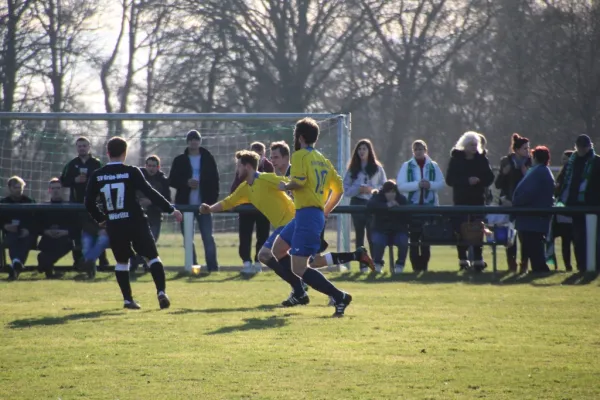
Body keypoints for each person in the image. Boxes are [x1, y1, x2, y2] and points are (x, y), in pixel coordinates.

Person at [200, 150, 373, 306]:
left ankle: (302, 290)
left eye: (238, 166)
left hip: (295, 221)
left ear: (247, 166)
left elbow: (287, 181)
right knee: (311, 263)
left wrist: (296, 187)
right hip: (290, 224)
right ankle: (353, 258)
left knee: (266, 254)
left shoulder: (265, 179)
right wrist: (209, 208)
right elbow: (228, 202)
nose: (236, 170)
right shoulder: (245, 188)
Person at [85, 137, 183, 309]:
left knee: (122, 262)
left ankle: (128, 300)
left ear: (108, 153)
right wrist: (170, 209)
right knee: (152, 257)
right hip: (136, 221)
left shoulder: (97, 175)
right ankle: (161, 292)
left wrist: (101, 219)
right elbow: (150, 192)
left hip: (115, 223)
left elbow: (88, 202)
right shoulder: (132, 171)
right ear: (125, 152)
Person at [273, 118, 353, 317]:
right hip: (308, 214)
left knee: (300, 267)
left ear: (299, 137)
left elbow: (299, 182)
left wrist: (286, 186)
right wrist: (325, 211)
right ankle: (299, 292)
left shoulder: (299, 156)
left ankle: (339, 296)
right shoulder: (322, 159)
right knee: (278, 249)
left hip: (308, 215)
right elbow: (339, 188)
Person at [168, 130, 219, 272]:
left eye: (196, 139)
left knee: (208, 237)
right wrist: (186, 182)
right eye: (191, 139)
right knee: (187, 239)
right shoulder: (179, 160)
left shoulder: (208, 158)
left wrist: (211, 203)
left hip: (204, 206)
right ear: (187, 142)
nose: (194, 142)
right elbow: (171, 180)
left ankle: (212, 268)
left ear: (200, 141)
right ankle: (192, 266)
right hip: (185, 206)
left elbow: (215, 181)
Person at [445, 131, 495, 272]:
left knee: (478, 229)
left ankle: (478, 260)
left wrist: (479, 180)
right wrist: (466, 181)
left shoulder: (482, 160)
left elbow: (490, 178)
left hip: (478, 200)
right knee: (461, 230)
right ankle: (463, 259)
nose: (474, 147)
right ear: (464, 145)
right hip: (461, 201)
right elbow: (450, 180)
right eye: (471, 144)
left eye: (475, 144)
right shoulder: (455, 159)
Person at [60, 137, 109, 270]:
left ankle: (102, 260)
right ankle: (79, 262)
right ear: (76, 148)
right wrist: (74, 180)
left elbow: (105, 180)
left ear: (89, 147)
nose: (82, 148)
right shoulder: (71, 164)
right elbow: (62, 181)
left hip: (95, 204)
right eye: (79, 146)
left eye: (84, 145)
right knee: (77, 233)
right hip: (76, 205)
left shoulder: (96, 163)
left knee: (97, 230)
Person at [396, 140, 445, 272]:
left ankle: (424, 268)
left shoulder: (433, 166)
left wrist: (430, 185)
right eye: (416, 149)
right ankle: (415, 268)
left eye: (421, 149)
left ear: (425, 150)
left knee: (426, 240)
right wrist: (417, 185)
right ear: (413, 151)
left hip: (429, 208)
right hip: (412, 208)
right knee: (414, 239)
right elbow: (400, 186)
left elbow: (441, 183)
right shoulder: (407, 166)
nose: (418, 151)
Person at [557, 134, 600, 272]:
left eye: (584, 147)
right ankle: (582, 266)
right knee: (578, 238)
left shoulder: (596, 162)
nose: (581, 150)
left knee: (594, 239)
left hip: (593, 207)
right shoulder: (572, 162)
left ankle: (595, 266)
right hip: (575, 206)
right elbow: (563, 181)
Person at [343, 139, 386, 273]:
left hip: (372, 203)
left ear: (369, 151)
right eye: (359, 149)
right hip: (357, 203)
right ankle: (363, 266)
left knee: (372, 234)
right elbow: (346, 190)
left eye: (364, 149)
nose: (362, 151)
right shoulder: (352, 169)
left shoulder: (377, 168)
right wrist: (358, 188)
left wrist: (371, 190)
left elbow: (384, 186)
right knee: (359, 235)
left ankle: (376, 264)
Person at [230, 142, 274, 274]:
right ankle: (246, 262)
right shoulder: (243, 167)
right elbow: (235, 186)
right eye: (256, 154)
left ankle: (258, 262)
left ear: (264, 155)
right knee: (245, 235)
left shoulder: (268, 167)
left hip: (263, 207)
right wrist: (234, 201)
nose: (258, 158)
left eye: (261, 155)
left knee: (263, 235)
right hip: (246, 207)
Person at [512, 146, 554, 273]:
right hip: (533, 218)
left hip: (533, 218)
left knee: (534, 246)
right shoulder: (542, 171)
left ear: (535, 157)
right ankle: (538, 269)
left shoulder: (539, 172)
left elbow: (529, 193)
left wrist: (516, 202)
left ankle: (541, 270)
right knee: (532, 246)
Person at [494, 133, 532, 272]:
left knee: (524, 235)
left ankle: (524, 263)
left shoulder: (530, 162)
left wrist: (525, 174)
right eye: (524, 148)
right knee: (510, 236)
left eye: (528, 148)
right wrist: (503, 173)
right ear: (516, 149)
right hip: (508, 203)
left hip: (524, 204)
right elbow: (498, 185)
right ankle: (511, 264)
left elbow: (532, 185)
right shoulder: (506, 161)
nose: (527, 151)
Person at [130, 155, 171, 276]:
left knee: (151, 242)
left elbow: (167, 199)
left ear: (158, 167)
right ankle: (140, 265)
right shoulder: (137, 177)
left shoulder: (163, 180)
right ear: (145, 165)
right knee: (140, 242)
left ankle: (138, 262)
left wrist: (151, 202)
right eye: (149, 165)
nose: (151, 168)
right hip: (137, 215)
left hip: (155, 216)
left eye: (154, 166)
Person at [37, 178, 78, 279]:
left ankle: (44, 263)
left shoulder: (70, 207)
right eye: (53, 188)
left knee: (64, 245)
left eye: (58, 188)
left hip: (64, 238)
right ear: (49, 190)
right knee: (48, 246)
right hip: (48, 238)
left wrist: (65, 232)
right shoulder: (43, 207)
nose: (56, 190)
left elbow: (76, 225)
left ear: (62, 190)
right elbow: (37, 224)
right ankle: (47, 266)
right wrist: (46, 231)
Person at [367, 180, 410, 273]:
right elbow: (370, 205)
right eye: (388, 192)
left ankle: (400, 265)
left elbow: (407, 213)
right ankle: (377, 264)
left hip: (398, 231)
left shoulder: (401, 199)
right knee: (378, 241)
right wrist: (387, 205)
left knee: (403, 240)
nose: (391, 194)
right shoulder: (377, 197)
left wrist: (399, 208)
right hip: (381, 230)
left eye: (393, 192)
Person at [1, 176, 35, 280]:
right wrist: (5, 226)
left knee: (25, 239)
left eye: (20, 187)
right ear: (9, 188)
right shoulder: (3, 203)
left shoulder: (30, 201)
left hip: (27, 233)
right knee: (13, 238)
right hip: (11, 233)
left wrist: (28, 229)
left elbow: (36, 219)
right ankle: (16, 264)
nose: (18, 189)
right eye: (15, 187)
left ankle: (14, 265)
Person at [550, 150, 574, 271]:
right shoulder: (562, 173)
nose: (564, 162)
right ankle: (554, 265)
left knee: (568, 242)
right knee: (554, 239)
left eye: (566, 159)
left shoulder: (572, 174)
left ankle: (569, 266)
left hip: (569, 215)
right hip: (560, 214)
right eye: (563, 159)